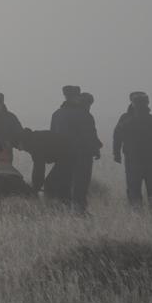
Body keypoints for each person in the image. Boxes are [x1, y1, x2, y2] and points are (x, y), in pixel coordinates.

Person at [49, 85, 101, 214]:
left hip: (62, 155)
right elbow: (90, 134)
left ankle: (63, 209)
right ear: (77, 97)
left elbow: (52, 135)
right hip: (82, 155)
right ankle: (79, 210)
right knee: (80, 184)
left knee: (64, 182)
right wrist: (96, 149)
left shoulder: (56, 114)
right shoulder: (84, 115)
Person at [112, 92, 152, 208]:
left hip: (133, 160)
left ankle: (137, 214)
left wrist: (116, 154)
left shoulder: (126, 121)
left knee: (133, 188)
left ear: (133, 104)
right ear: (147, 104)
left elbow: (117, 136)